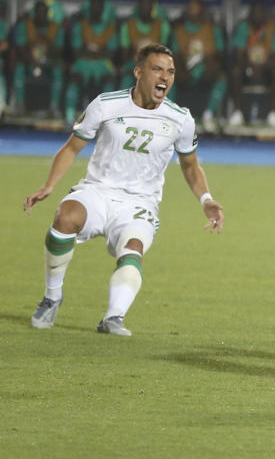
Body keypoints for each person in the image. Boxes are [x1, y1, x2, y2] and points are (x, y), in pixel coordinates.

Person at [24, 44, 224, 336]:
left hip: (140, 203)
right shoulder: (106, 104)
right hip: (98, 190)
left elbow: (191, 166)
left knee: (132, 251)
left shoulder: (180, 118)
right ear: (139, 72)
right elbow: (71, 148)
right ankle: (52, 298)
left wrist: (206, 199)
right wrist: (49, 186)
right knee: (65, 217)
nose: (165, 77)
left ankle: (113, 318)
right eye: (157, 69)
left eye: (170, 71)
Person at [170, 0, 228, 132]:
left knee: (222, 77)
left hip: (205, 69)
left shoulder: (212, 29)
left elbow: (219, 55)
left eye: (196, 8)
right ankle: (171, 118)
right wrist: (180, 71)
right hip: (184, 69)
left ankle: (208, 116)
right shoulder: (179, 30)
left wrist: (211, 66)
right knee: (167, 75)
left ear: (203, 11)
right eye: (190, 8)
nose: (192, 11)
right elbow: (175, 55)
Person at [227, 2, 275, 128]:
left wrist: (263, 67)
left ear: (265, 15)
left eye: (260, 12)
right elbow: (239, 55)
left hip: (266, 68)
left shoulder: (273, 29)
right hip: (247, 67)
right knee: (235, 71)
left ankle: (273, 114)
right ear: (250, 15)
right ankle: (238, 112)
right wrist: (249, 67)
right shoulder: (243, 27)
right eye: (254, 13)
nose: (257, 16)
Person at [65, 0, 118, 123]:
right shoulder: (80, 26)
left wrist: (89, 52)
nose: (96, 10)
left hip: (103, 64)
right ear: (89, 9)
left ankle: (108, 120)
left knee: (109, 80)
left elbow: (110, 54)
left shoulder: (110, 28)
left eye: (99, 7)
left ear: (103, 9)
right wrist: (99, 52)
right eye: (94, 7)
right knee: (74, 79)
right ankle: (69, 117)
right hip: (82, 63)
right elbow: (77, 52)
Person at [11, 1, 66, 116]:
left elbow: (59, 51)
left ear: (47, 13)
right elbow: (21, 48)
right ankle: (19, 105)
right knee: (19, 69)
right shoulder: (24, 26)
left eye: (43, 12)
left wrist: (46, 44)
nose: (41, 15)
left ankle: (54, 106)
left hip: (49, 63)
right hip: (29, 61)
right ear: (34, 13)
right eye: (38, 12)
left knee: (58, 72)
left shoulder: (56, 28)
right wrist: (33, 61)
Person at [120, 0, 171, 89]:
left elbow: (165, 54)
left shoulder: (162, 25)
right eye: (143, 5)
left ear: (153, 7)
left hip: (157, 66)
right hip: (134, 64)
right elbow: (124, 54)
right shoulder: (128, 25)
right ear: (138, 7)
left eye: (148, 5)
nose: (145, 8)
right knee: (126, 79)